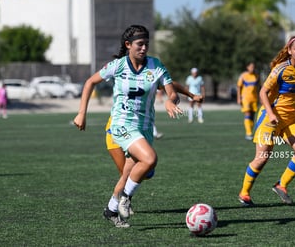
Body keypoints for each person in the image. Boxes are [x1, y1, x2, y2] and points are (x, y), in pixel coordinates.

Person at [73, 25, 183, 228]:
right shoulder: (118, 66)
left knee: (128, 173)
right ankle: (125, 198)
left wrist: (170, 101)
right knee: (150, 159)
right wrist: (82, 113)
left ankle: (111, 210)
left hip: (145, 127)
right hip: (122, 124)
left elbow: (172, 91)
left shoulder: (156, 65)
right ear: (128, 45)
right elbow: (89, 82)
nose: (144, 48)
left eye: (146, 44)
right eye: (140, 44)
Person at [104, 81, 203, 227]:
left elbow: (170, 84)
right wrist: (82, 112)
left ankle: (113, 208)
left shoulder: (148, 74)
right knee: (129, 173)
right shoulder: (121, 71)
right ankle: (122, 202)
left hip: (137, 129)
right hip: (117, 130)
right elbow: (92, 81)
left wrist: (191, 95)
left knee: (137, 172)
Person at [238, 35, 295, 206]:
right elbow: (263, 92)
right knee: (262, 157)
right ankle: (244, 193)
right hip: (269, 118)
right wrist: (271, 114)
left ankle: (281, 185)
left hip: (292, 120)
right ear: (289, 51)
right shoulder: (280, 70)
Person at [237, 62, 260, 140]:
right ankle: (248, 133)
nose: (252, 68)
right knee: (247, 114)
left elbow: (259, 87)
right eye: (251, 67)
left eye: (253, 67)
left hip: (254, 98)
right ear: (247, 67)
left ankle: (250, 131)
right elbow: (239, 87)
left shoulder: (257, 76)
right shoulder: (243, 76)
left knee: (252, 116)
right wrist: (238, 98)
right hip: (245, 98)